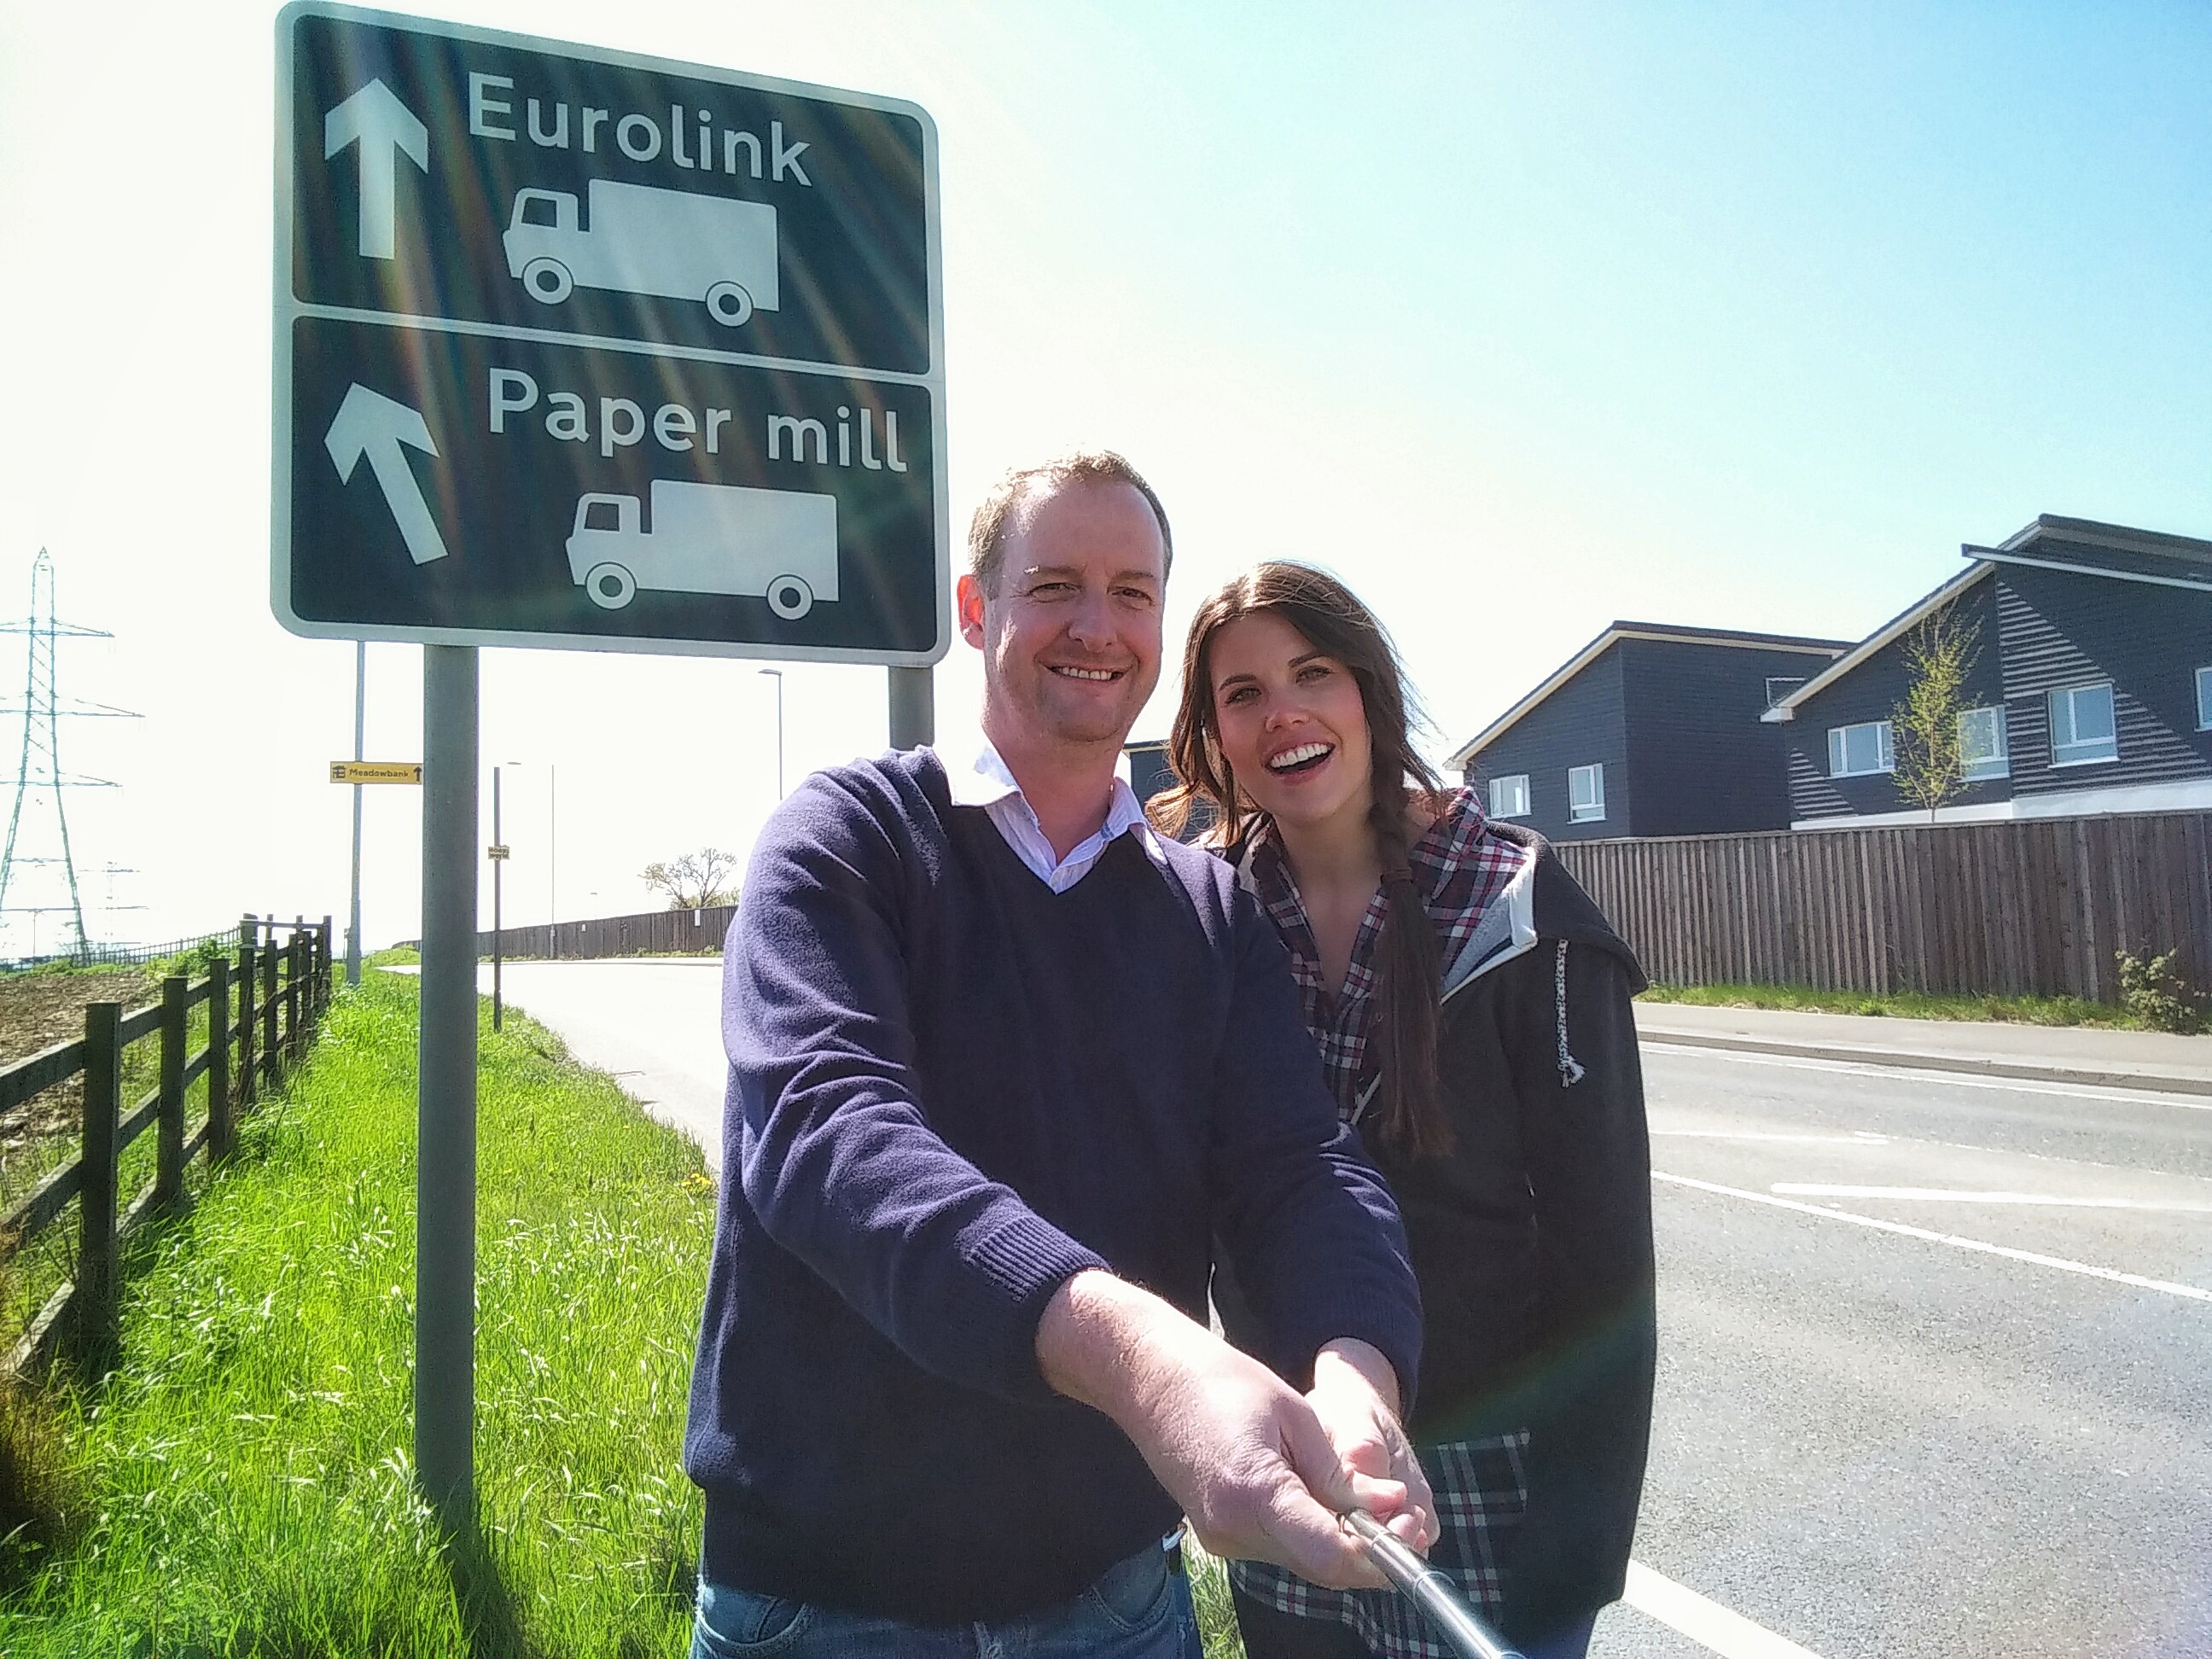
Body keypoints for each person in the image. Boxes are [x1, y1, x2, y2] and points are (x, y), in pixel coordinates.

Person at [683, 455, 1437, 1659]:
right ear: (977, 613)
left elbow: (1299, 1165)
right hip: (825, 1602)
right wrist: (1149, 1368)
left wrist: (1354, 1371)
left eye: (1135, 593)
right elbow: (829, 1138)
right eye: (1057, 587)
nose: (1099, 627)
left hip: (1117, 1604)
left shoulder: (1209, 912)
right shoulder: (846, 843)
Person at [1154, 562, 1656, 1659]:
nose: (1283, 712)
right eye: (1242, 694)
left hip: (1496, 1481)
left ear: (1368, 694)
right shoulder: (1201, 923)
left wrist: (1577, 1553)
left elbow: (1606, 1258)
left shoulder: (1524, 916)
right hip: (1293, 1457)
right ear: (1214, 739)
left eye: (1312, 673)